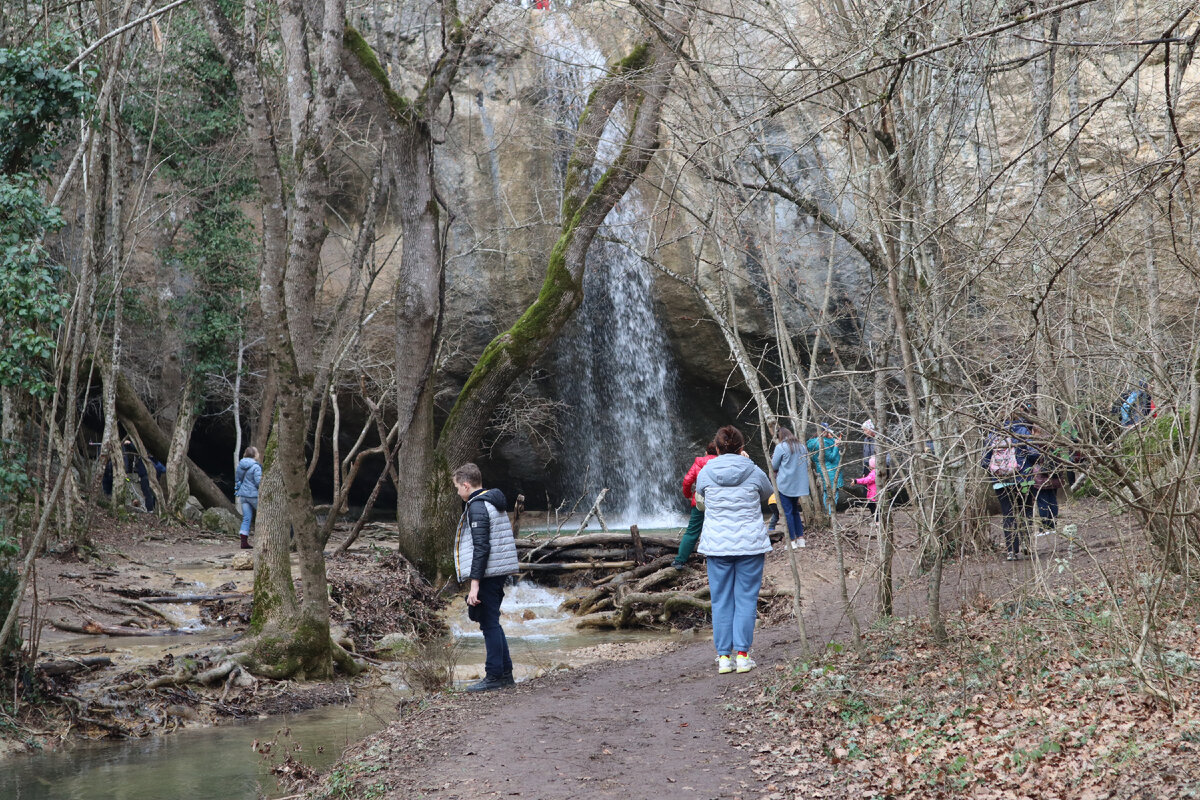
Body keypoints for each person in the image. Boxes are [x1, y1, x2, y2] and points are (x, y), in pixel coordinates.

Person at [695, 425, 773, 675]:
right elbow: (767, 493)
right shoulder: (752, 470)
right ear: (741, 448)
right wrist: (748, 464)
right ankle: (742, 655)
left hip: (718, 546)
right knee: (746, 599)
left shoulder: (706, 472)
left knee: (720, 601)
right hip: (749, 544)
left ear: (716, 449)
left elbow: (700, 501)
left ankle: (723, 657)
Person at [452, 462, 519, 692]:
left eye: (458, 488)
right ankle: (506, 674)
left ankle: (493, 676)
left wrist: (474, 584)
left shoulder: (478, 506)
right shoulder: (493, 501)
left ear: (466, 485)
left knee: (488, 624)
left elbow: (481, 547)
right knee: (492, 622)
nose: (458, 493)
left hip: (488, 574)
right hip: (498, 571)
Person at [982, 420, 1036, 560]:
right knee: (1025, 510)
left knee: (1008, 514)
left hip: (1001, 482)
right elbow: (1033, 454)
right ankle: (1026, 544)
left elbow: (984, 461)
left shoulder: (992, 434)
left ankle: (1011, 550)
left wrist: (998, 471)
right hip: (1022, 479)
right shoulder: (1023, 430)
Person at [675, 441, 719, 569]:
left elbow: (687, 481)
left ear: (706, 452)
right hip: (718, 502)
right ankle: (718, 559)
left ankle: (679, 561)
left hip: (699, 502)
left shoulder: (698, 463)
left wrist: (688, 495)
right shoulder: (721, 463)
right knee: (718, 529)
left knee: (692, 532)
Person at [770, 426, 810, 549]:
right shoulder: (802, 447)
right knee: (795, 512)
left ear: (780, 436)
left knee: (787, 513)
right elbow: (807, 463)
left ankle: (792, 542)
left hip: (785, 485)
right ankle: (801, 539)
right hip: (798, 485)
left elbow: (774, 465)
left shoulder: (780, 447)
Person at [103, 438, 157, 512]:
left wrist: (130, 443)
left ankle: (150, 510)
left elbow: (140, 449)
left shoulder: (148, 455)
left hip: (146, 476)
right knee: (145, 492)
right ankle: (150, 509)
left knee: (148, 494)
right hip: (141, 477)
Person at [807, 424, 844, 515]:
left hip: (822, 470)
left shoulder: (813, 442)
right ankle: (831, 516)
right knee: (833, 494)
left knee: (826, 493)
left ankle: (828, 514)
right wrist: (836, 446)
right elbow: (831, 457)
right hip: (831, 470)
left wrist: (833, 440)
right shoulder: (822, 443)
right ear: (824, 432)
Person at [234, 447, 262, 550]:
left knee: (246, 518)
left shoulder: (240, 466)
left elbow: (238, 480)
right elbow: (258, 482)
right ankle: (262, 539)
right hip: (254, 495)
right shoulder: (256, 467)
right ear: (254, 455)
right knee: (262, 516)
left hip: (243, 496)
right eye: (257, 452)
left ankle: (243, 542)